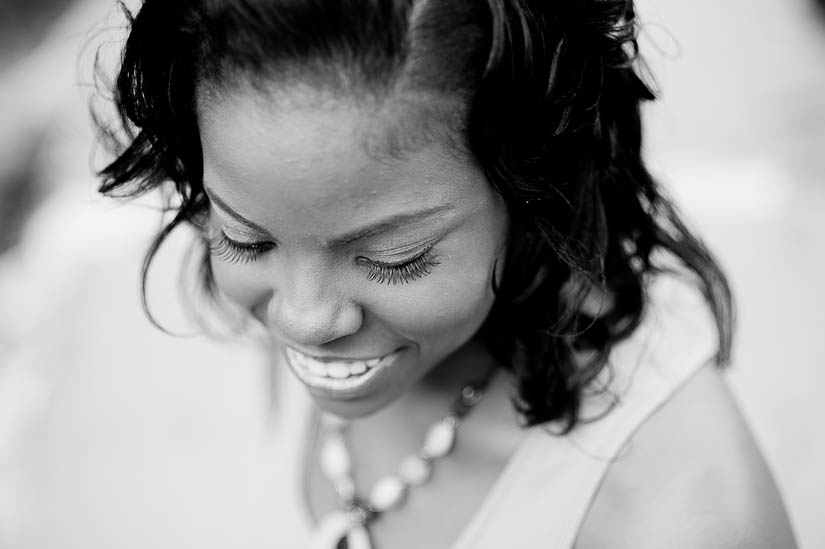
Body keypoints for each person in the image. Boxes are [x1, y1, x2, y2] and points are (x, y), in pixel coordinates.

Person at [95, 0, 797, 547]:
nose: (301, 317)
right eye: (246, 238)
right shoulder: (328, 272)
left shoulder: (685, 516)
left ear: (533, 187)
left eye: (391, 258)